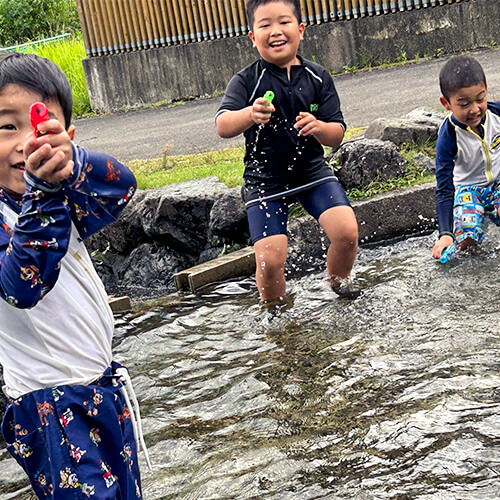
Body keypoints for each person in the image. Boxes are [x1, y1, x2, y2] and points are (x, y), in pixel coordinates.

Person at [0, 52, 149, 498]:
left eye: (42, 126)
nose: (28, 143)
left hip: (103, 388)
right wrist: (44, 192)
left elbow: (122, 185)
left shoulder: (66, 198)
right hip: (49, 405)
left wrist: (73, 165)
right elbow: (21, 284)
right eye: (7, 126)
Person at [215, 0, 360, 304]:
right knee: (270, 261)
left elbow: (337, 134)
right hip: (265, 180)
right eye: (264, 25)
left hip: (311, 172)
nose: (275, 31)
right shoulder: (247, 81)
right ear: (253, 37)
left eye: (284, 22)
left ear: (301, 29)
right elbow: (223, 125)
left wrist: (319, 127)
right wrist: (249, 114)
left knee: (346, 232)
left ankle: (336, 287)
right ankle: (276, 314)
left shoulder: (317, 77)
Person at [432, 55, 500, 260]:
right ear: (447, 103)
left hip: (498, 182)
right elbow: (444, 187)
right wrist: (445, 234)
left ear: (486, 89)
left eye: (480, 99)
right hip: (468, 190)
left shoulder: (497, 114)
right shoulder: (449, 135)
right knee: (468, 239)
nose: (474, 109)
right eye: (463, 104)